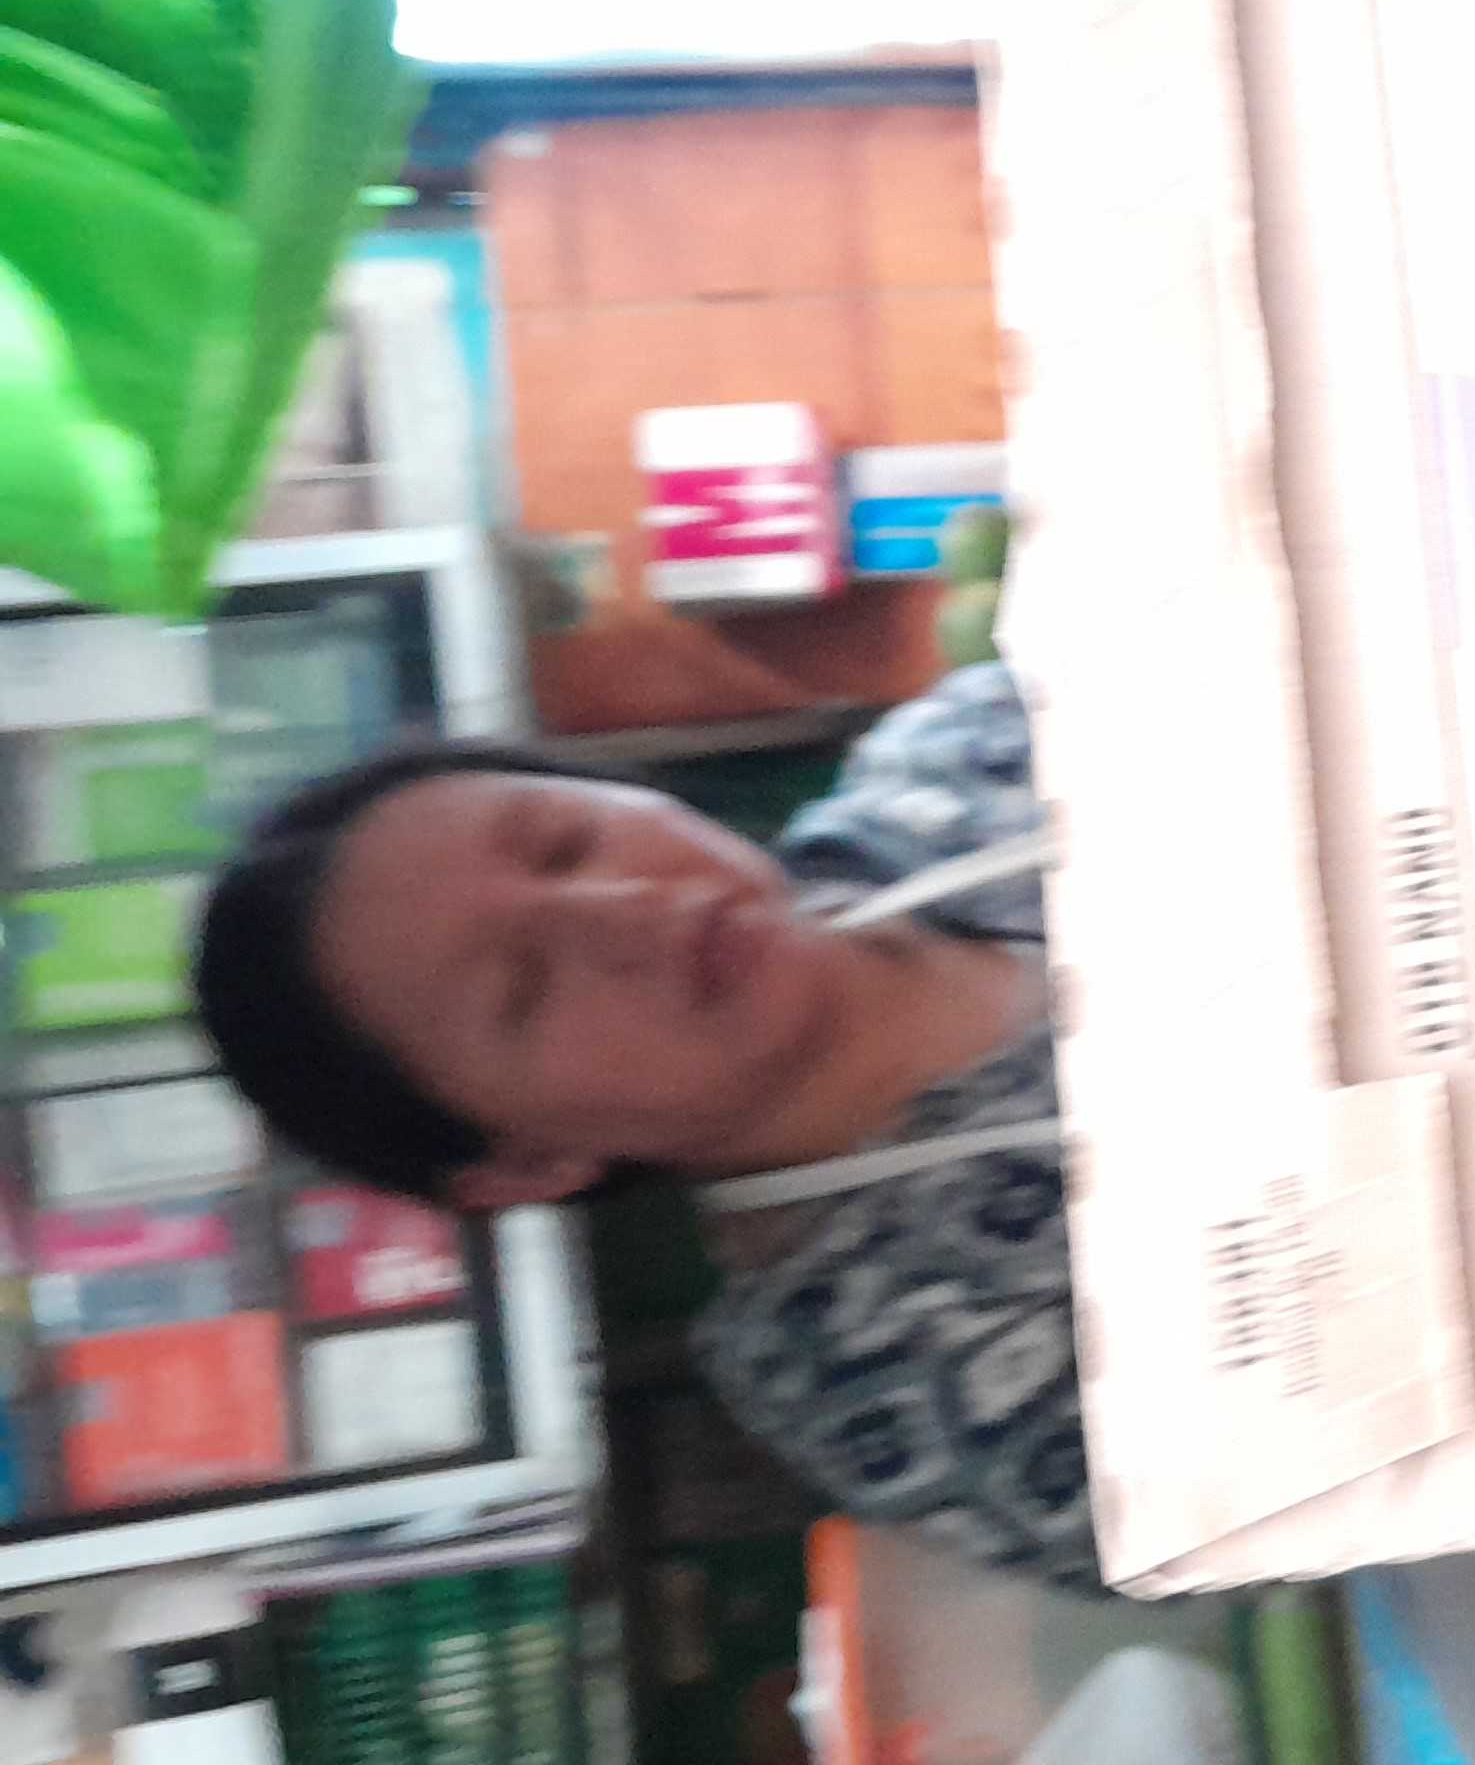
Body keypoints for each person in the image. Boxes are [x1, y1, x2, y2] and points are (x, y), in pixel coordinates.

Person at [187, 664, 1104, 1590]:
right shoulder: (883, 1374)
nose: (628, 912)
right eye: (526, 989)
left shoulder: (960, 752)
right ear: (528, 1166)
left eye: (565, 841)